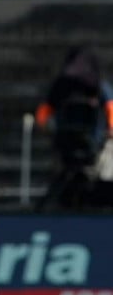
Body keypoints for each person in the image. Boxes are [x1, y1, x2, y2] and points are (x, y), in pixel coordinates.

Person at [34, 46, 113, 212]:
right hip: (85, 144)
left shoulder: (62, 84)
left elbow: (42, 116)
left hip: (72, 144)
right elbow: (110, 108)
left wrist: (48, 128)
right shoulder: (98, 84)